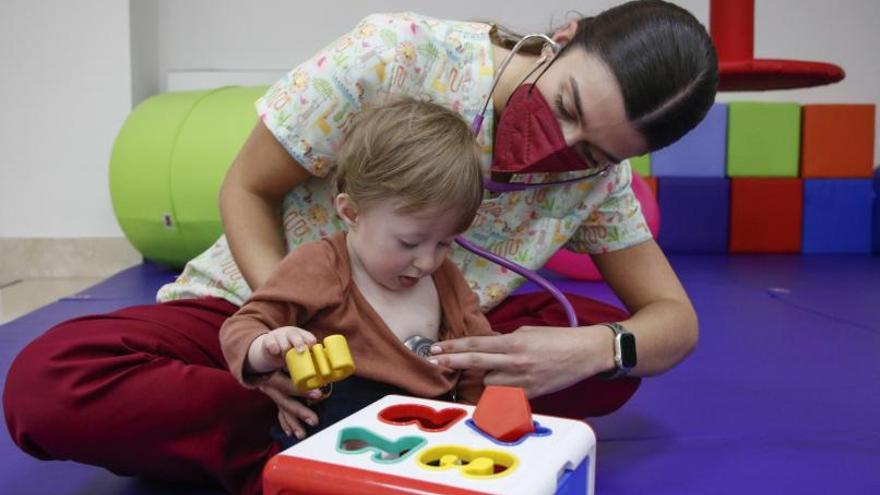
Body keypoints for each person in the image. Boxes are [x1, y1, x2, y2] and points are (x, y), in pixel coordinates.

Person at [3, 1, 717, 494]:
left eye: (591, 148)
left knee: (605, 362)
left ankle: (344, 438)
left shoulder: (599, 179)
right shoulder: (396, 55)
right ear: (563, 36)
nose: (559, 145)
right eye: (566, 107)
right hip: (269, 307)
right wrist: (280, 337)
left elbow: (671, 320)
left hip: (427, 344)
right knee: (49, 385)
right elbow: (247, 188)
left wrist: (594, 350)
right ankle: (332, 444)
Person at [219, 99, 496, 446]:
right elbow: (243, 326)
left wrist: (475, 428)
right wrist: (266, 348)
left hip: (427, 438)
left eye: (445, 243)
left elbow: (476, 358)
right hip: (337, 442)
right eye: (409, 242)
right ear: (351, 213)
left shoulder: (446, 281)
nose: (427, 262)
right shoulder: (321, 266)